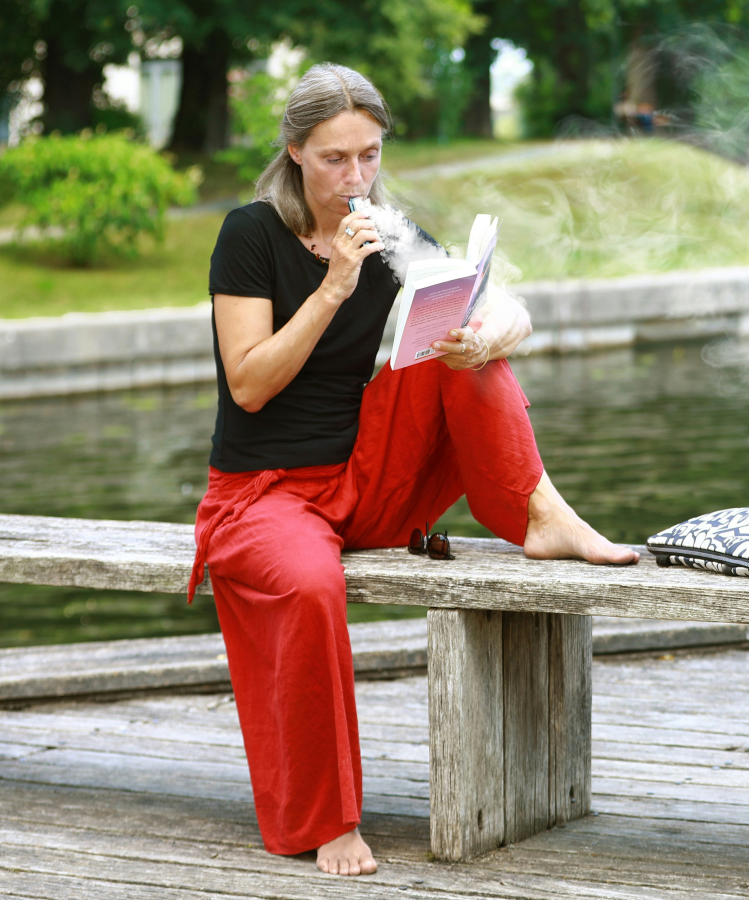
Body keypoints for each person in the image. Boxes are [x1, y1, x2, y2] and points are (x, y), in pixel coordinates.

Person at [188, 63, 637, 877]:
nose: (356, 178)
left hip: (358, 482)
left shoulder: (385, 227)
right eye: (334, 159)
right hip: (261, 495)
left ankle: (544, 516)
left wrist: (488, 335)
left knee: (455, 350)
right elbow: (248, 383)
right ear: (294, 153)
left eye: (369, 155)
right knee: (312, 586)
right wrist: (333, 288)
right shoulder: (249, 236)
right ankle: (328, 819)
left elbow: (510, 309)